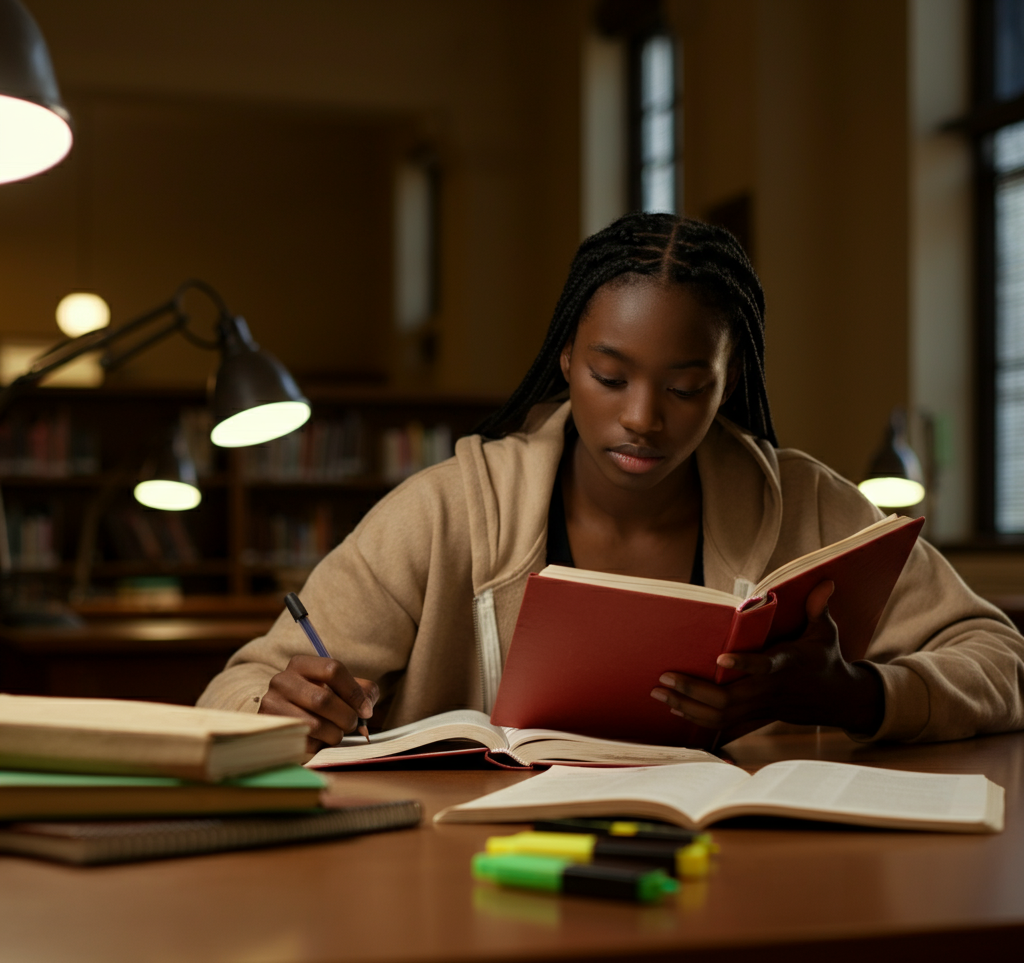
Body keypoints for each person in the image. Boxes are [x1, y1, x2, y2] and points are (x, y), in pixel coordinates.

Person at [197, 213, 1024, 752]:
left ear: (730, 383)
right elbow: (228, 695)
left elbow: (999, 658)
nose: (643, 417)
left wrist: (864, 694)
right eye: (609, 374)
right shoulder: (449, 512)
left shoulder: (809, 507)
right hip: (472, 890)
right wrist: (276, 711)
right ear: (565, 358)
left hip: (752, 889)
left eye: (685, 386)